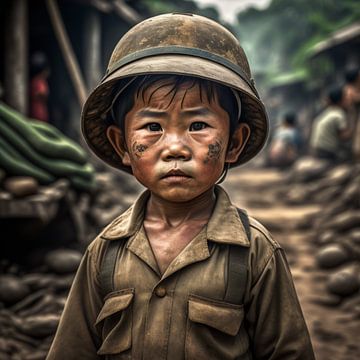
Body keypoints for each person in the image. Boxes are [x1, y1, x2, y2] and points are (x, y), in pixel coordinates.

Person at [47, 14, 315, 359]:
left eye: (199, 124)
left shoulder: (255, 253)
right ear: (122, 145)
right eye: (153, 126)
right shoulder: (105, 253)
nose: (175, 147)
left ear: (234, 143)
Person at [310, 86, 352, 162]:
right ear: (341, 101)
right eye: (346, 97)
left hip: (316, 150)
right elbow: (344, 136)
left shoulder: (327, 112)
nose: (349, 100)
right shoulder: (339, 114)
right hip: (329, 152)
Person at [29, 52, 50, 122]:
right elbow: (41, 93)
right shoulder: (38, 81)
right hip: (37, 113)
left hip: (40, 112)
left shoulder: (37, 81)